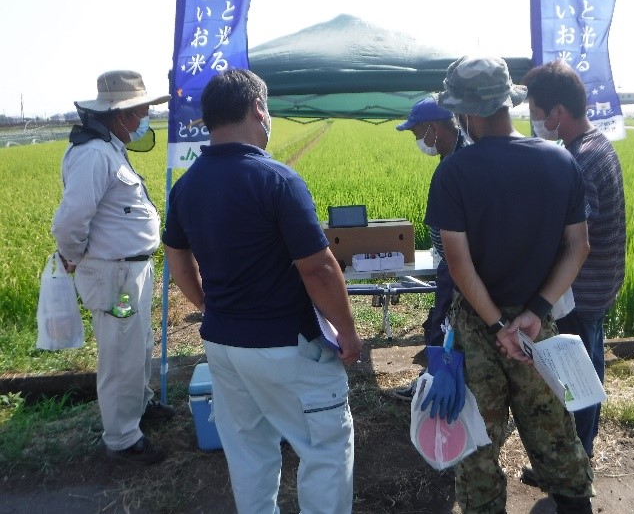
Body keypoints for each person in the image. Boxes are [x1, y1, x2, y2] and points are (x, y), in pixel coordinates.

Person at [162, 68, 363, 513]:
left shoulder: (186, 186)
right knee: (325, 449)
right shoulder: (277, 179)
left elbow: (175, 254)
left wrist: (203, 302)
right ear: (258, 108)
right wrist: (347, 331)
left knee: (248, 452)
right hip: (285, 344)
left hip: (223, 345)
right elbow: (319, 269)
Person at [425, 55, 594, 513]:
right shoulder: (560, 162)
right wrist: (535, 311)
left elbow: (458, 266)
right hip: (537, 325)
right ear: (506, 103)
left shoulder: (454, 173)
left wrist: (498, 323)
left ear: (466, 113)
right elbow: (578, 247)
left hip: (479, 328)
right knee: (555, 433)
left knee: (476, 441)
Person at [52, 70, 173, 465]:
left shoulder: (109, 147)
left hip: (129, 271)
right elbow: (70, 222)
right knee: (121, 352)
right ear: (116, 113)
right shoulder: (92, 155)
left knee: (137, 344)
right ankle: (122, 438)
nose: (142, 120)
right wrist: (73, 255)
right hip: (115, 275)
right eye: (137, 112)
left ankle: (138, 406)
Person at [521, 61, 626, 467]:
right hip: (598, 286)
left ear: (557, 113)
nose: (535, 122)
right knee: (586, 370)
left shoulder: (579, 159)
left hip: (582, 292)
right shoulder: (596, 145)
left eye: (536, 113)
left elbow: (573, 241)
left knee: (577, 379)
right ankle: (579, 455)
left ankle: (575, 463)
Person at [390, 95, 470, 400]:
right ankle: (436, 382)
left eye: (417, 132)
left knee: (444, 327)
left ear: (434, 128)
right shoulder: (452, 156)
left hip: (458, 265)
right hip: (450, 262)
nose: (417, 140)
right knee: (442, 324)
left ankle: (438, 389)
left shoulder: (461, 163)